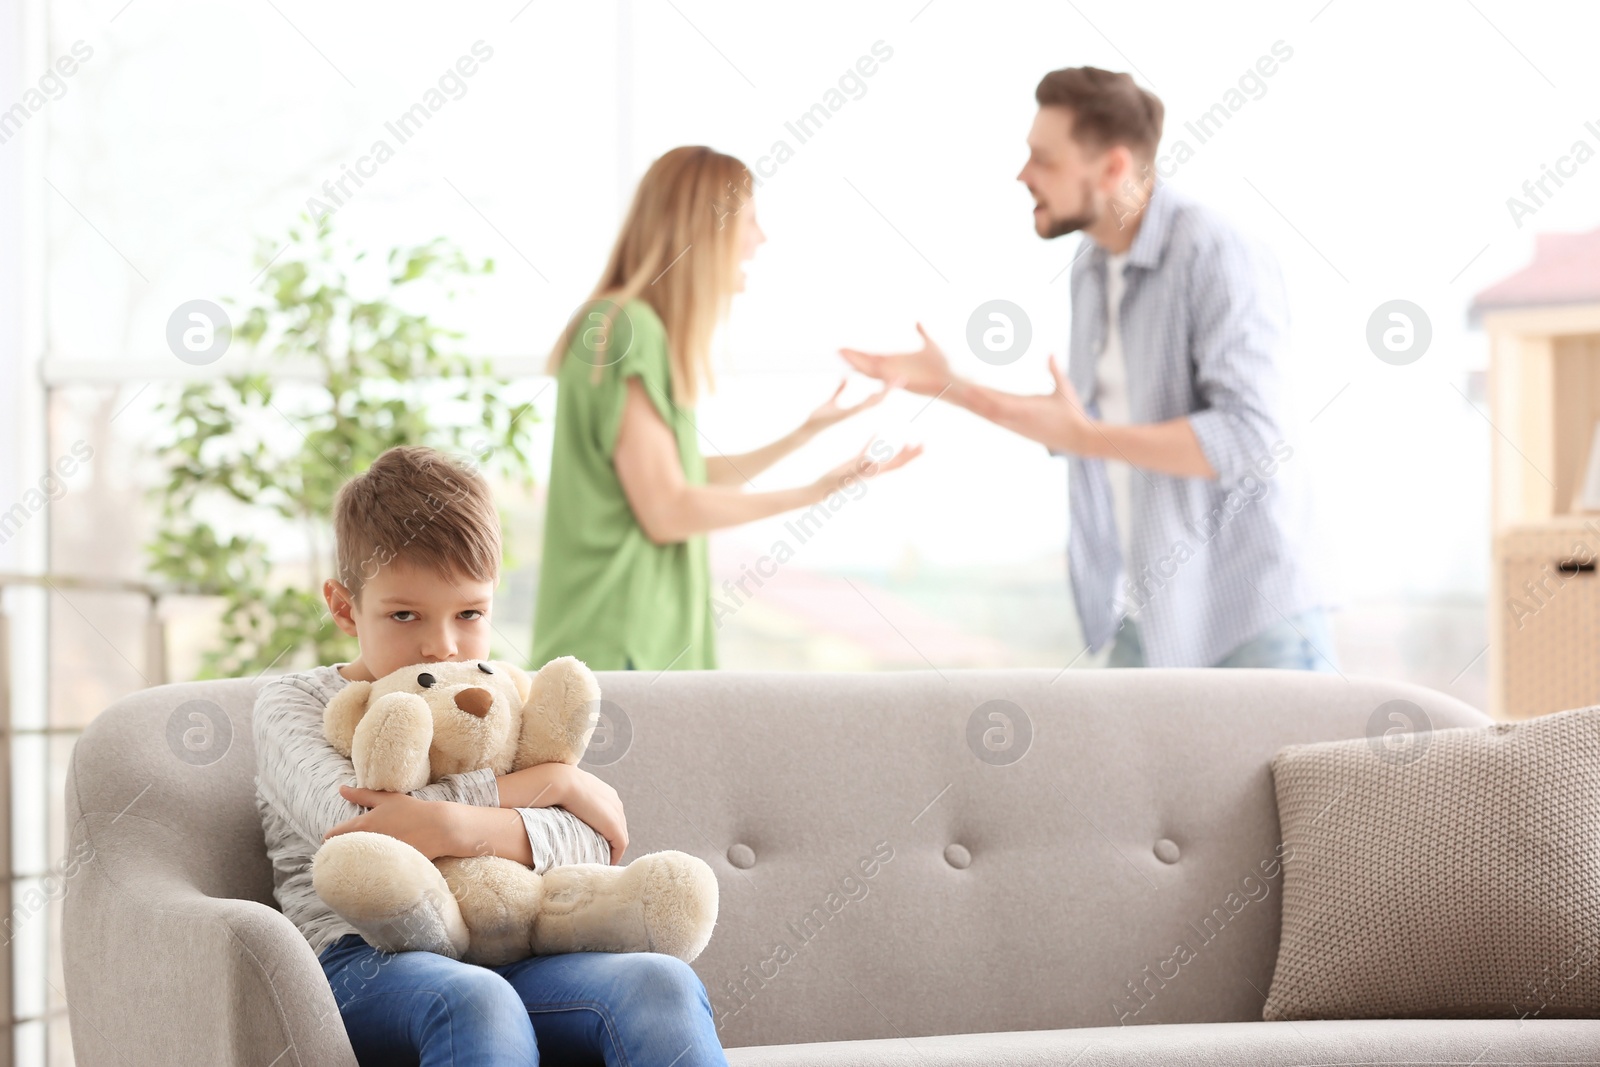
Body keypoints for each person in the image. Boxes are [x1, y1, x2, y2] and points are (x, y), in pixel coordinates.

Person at [842, 67, 1333, 671]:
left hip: (1252, 618)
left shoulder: (1216, 251)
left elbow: (1253, 439)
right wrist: (952, 385)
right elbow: (1077, 426)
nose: (1022, 175)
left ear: (1113, 170)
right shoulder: (1092, 263)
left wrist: (1089, 438)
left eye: (1043, 159)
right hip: (1155, 611)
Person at [253, 445, 729, 1065]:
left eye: (470, 613)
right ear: (345, 607)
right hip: (362, 962)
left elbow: (592, 843)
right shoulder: (295, 703)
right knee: (475, 1001)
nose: (442, 646)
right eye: (404, 614)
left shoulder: (500, 693)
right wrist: (547, 785)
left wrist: (453, 821)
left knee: (660, 983)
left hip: (514, 946)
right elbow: (357, 830)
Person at [534, 145, 921, 672]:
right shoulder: (624, 328)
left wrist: (802, 436)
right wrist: (814, 493)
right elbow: (668, 510)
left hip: (637, 647)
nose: (761, 239)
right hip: (617, 650)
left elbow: (681, 480)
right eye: (751, 220)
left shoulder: (636, 328)